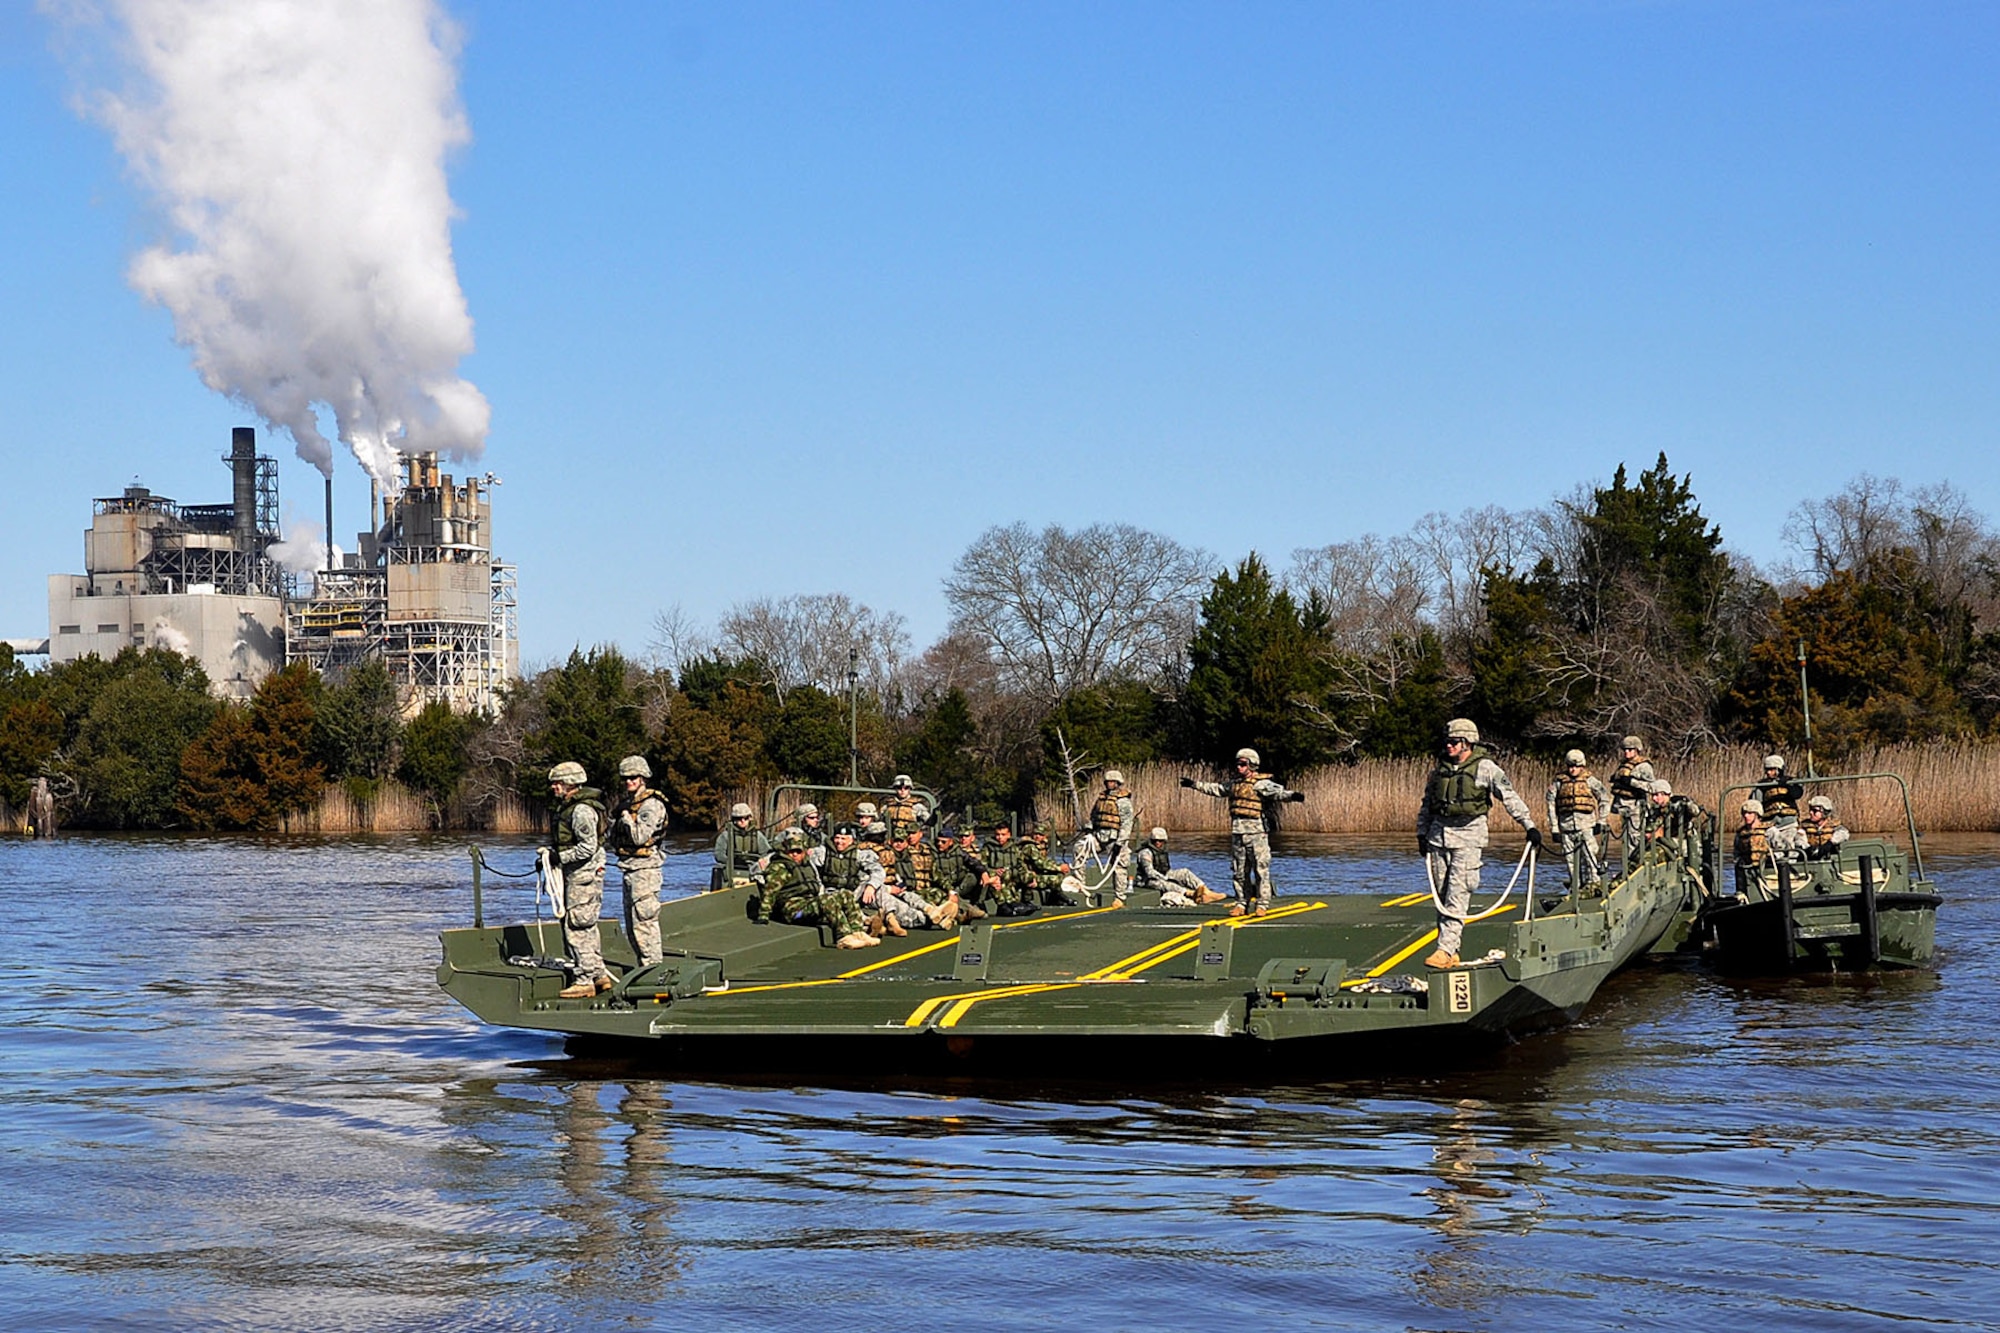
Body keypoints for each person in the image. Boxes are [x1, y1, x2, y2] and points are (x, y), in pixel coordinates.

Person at [1416, 719, 1542, 970]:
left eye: (1454, 742)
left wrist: (1529, 825)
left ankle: (1444, 949)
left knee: (1457, 894)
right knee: (1441, 897)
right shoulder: (1439, 769)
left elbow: (1509, 796)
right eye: (1447, 741)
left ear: (1467, 743)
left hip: (1469, 838)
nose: (1448, 746)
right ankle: (1452, 950)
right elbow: (1427, 803)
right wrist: (1421, 833)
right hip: (1438, 837)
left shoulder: (1486, 768)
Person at [1182, 748, 1306, 917]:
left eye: (1243, 764)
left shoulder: (1260, 784)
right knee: (1239, 871)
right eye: (1238, 764)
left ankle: (1262, 904)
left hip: (1256, 833)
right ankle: (1242, 903)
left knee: (1260, 869)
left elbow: (1278, 793)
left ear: (1252, 765)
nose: (1238, 767)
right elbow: (1216, 789)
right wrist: (1194, 785)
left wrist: (1293, 796)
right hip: (1238, 832)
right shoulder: (1234, 785)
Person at [546, 761, 612, 999]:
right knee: (587, 924)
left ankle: (584, 979)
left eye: (558, 783)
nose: (554, 787)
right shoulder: (572, 808)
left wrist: (559, 857)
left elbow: (588, 847)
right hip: (580, 873)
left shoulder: (581, 811)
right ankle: (598, 974)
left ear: (570, 783)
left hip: (584, 875)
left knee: (576, 925)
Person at [757, 830, 880, 949]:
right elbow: (770, 891)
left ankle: (857, 931)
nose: (795, 854)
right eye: (791, 852)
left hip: (809, 904)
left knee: (846, 895)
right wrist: (763, 915)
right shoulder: (780, 867)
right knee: (827, 900)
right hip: (795, 911)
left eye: (798, 851)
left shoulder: (806, 865)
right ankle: (844, 937)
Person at [609, 754, 669, 969]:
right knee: (632, 925)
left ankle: (653, 969)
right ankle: (644, 967)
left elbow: (639, 837)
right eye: (625, 778)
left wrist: (625, 818)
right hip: (629, 868)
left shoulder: (651, 805)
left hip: (646, 870)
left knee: (644, 923)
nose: (628, 782)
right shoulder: (629, 804)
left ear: (643, 778)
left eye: (633, 777)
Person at [1544, 749, 1610, 891]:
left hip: (1586, 827)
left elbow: (1604, 798)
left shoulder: (1590, 781)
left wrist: (1601, 821)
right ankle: (1576, 887)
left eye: (1576, 766)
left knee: (1590, 858)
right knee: (1570, 861)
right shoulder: (1559, 783)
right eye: (1570, 766)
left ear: (1582, 766)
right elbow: (1550, 804)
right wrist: (1554, 828)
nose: (1573, 769)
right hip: (1566, 828)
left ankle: (1595, 885)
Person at [1073, 769, 1138, 904]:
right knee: (1079, 849)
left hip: (1115, 838)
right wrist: (1090, 827)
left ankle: (1119, 897)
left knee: (1119, 865)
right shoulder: (1101, 798)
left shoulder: (1123, 801)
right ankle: (1080, 885)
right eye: (1107, 781)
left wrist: (1120, 842)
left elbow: (1127, 823)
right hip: (1099, 836)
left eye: (1112, 781)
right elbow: (1094, 816)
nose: (1109, 784)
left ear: (1118, 783)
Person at [1133, 828, 1229, 907]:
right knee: (1166, 884)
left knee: (1184, 873)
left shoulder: (1161, 851)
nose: (1158, 843)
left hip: (1164, 873)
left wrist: (1168, 876)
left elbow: (1165, 869)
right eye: (1155, 841)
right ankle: (1191, 894)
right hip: (1146, 880)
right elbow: (1149, 872)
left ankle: (1206, 891)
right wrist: (1165, 878)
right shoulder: (1145, 853)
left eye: (1161, 841)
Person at [1608, 736, 1656, 872]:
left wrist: (1632, 782)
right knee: (1626, 839)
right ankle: (1628, 866)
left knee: (1634, 839)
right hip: (1623, 807)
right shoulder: (1623, 764)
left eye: (1630, 750)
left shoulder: (1644, 766)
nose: (1626, 752)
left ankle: (1635, 868)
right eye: (1625, 750)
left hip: (1636, 806)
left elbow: (1653, 787)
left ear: (1637, 750)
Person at [712, 802, 770, 889]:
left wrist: (760, 862)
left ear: (750, 818)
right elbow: (719, 854)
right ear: (734, 819)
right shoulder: (726, 835)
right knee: (718, 869)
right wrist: (732, 861)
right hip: (732, 868)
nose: (743, 821)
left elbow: (766, 853)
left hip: (753, 869)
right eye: (739, 818)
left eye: (745, 818)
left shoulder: (758, 835)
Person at [1755, 755, 1804, 826]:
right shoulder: (1762, 785)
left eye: (1772, 769)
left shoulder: (1790, 782)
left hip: (1790, 821)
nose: (1768, 772)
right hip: (1770, 822)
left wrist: (1786, 784)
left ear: (1779, 770)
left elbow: (1797, 794)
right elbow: (1757, 803)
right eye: (1767, 770)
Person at [1802, 794, 1851, 859]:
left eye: (1815, 811)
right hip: (1809, 859)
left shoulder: (1834, 826)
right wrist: (1807, 848)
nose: (1811, 813)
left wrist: (1830, 843)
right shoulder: (1804, 826)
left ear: (1825, 812)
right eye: (1810, 810)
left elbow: (1844, 833)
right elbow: (1799, 838)